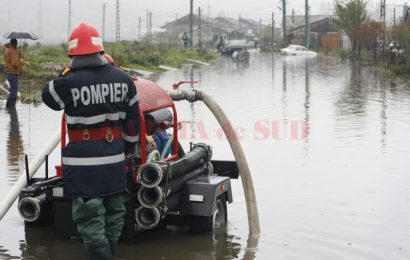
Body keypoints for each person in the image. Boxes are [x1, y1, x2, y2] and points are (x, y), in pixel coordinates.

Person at [42, 22, 140, 260]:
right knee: (114, 215)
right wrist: (126, 148)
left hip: (83, 166)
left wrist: (66, 72)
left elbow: (48, 97)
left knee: (90, 220)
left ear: (72, 53)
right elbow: (133, 127)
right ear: (99, 49)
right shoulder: (123, 78)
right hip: (114, 161)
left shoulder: (66, 82)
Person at [3, 38, 29, 107]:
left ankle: (10, 108)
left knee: (13, 90)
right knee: (14, 91)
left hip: (9, 73)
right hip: (13, 73)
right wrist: (24, 62)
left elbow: (13, 60)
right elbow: (15, 64)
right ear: (15, 44)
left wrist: (18, 54)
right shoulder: (13, 51)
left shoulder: (8, 49)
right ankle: (10, 107)